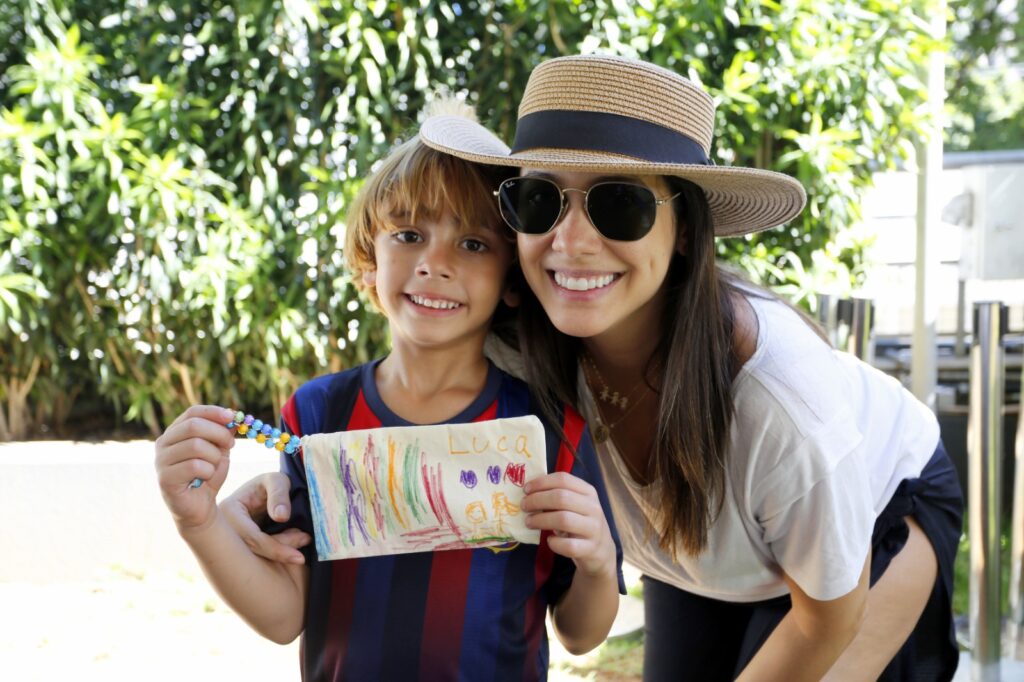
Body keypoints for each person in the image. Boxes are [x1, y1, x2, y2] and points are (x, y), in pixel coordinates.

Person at [227, 55, 963, 681]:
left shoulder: (779, 398)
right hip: (704, 562)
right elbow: (404, 406)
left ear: (683, 233)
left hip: (873, 521)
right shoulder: (520, 338)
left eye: (618, 205)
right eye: (540, 199)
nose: (570, 241)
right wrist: (292, 484)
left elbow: (828, 618)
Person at [154, 114, 625, 682]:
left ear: (511, 282)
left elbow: (579, 633)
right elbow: (285, 616)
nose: (434, 263)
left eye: (473, 243)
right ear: (370, 258)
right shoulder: (317, 415)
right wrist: (199, 523)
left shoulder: (554, 430)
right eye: (408, 235)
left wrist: (598, 563)